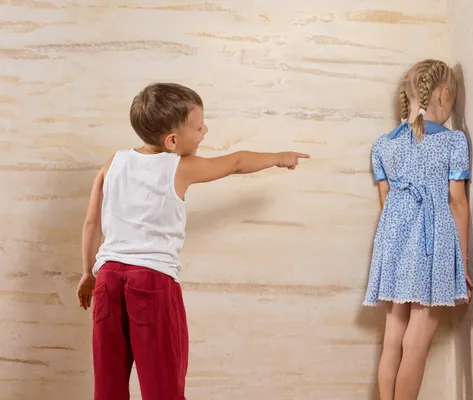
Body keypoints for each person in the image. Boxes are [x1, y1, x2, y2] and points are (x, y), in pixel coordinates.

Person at [75, 82, 309, 400]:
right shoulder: (179, 167)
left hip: (107, 279)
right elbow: (237, 162)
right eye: (199, 128)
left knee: (108, 386)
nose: (205, 131)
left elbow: (92, 222)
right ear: (173, 141)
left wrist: (89, 273)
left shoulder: (113, 163)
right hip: (152, 281)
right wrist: (280, 157)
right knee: (163, 385)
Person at [362, 59, 473, 400]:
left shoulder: (383, 144)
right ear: (443, 94)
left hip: (392, 238)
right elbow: (457, 202)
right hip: (432, 240)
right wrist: (461, 261)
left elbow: (386, 201)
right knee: (419, 336)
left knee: (394, 334)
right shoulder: (453, 142)